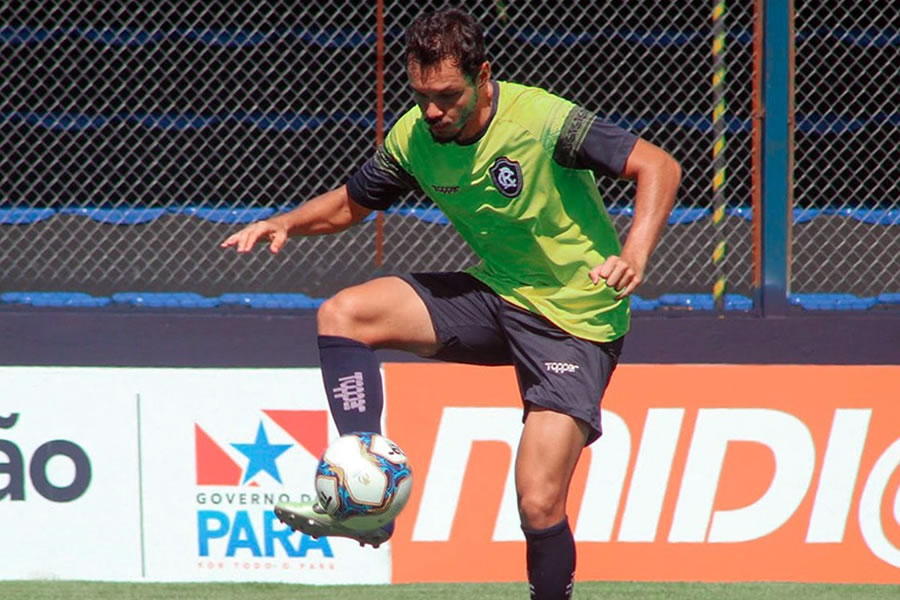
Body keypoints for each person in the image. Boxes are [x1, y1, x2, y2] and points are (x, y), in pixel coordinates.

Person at [222, 7, 680, 599]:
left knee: (539, 502)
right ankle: (369, 494)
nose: (433, 110)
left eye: (446, 96)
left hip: (576, 319)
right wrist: (286, 222)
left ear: (483, 76)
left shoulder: (541, 119)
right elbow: (350, 205)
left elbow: (658, 165)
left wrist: (635, 253)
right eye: (421, 96)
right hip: (498, 293)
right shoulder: (414, 136)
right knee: (344, 314)